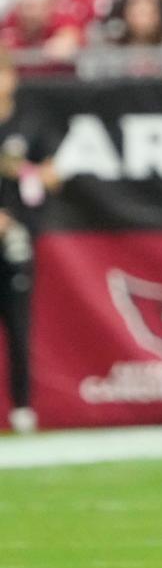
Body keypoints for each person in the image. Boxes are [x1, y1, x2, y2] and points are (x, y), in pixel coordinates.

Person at [0, 51, 61, 432]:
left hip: (15, 235)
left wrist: (21, 169)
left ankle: (22, 407)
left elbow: (53, 177)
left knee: (18, 326)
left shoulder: (29, 125)